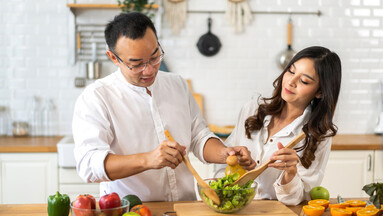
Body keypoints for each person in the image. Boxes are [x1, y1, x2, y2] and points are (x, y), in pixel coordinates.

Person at [72, 12, 255, 202]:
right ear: (113, 57)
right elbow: (88, 165)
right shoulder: (97, 97)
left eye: (154, 57)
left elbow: (198, 136)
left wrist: (224, 153)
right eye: (136, 64)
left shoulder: (177, 84)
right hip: (131, 214)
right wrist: (149, 159)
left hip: (185, 209)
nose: (149, 70)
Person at [225, 46, 341, 205]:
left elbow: (296, 199)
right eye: (291, 71)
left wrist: (291, 172)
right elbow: (225, 162)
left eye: (304, 80)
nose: (291, 82)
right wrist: (240, 162)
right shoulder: (252, 109)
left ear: (320, 92)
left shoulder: (319, 135)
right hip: (236, 209)